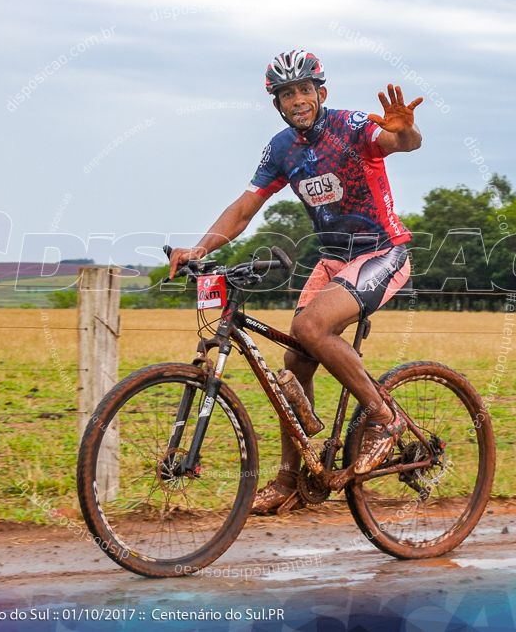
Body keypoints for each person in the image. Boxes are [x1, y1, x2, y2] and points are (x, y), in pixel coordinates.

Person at [168, 50, 423, 514]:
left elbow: (401, 143)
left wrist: (404, 128)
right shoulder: (281, 149)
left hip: (382, 252)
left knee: (309, 329)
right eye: (288, 94)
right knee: (294, 360)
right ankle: (291, 479)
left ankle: (384, 419)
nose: (298, 99)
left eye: (305, 89)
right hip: (332, 260)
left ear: (320, 93)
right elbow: (245, 207)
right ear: (278, 104)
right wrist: (200, 248)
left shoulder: (350, 126)